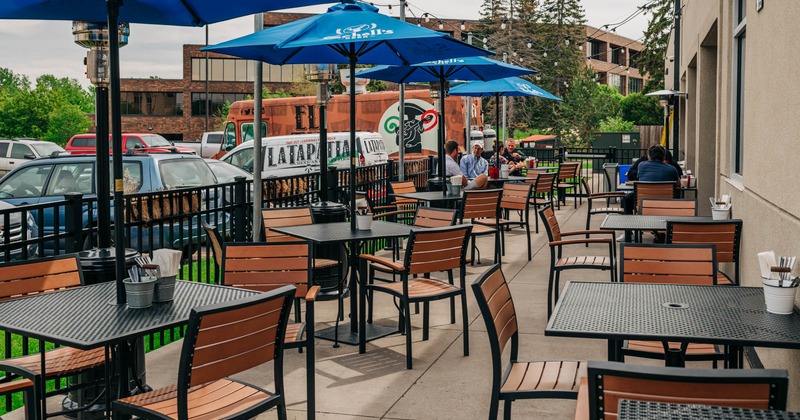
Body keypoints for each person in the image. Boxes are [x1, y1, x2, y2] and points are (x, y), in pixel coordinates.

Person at [622, 145, 679, 214]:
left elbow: (639, 178)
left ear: (649, 156)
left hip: (645, 200)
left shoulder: (641, 165)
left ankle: (629, 222)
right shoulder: (672, 169)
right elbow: (678, 184)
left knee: (627, 199)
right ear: (663, 157)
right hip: (665, 202)